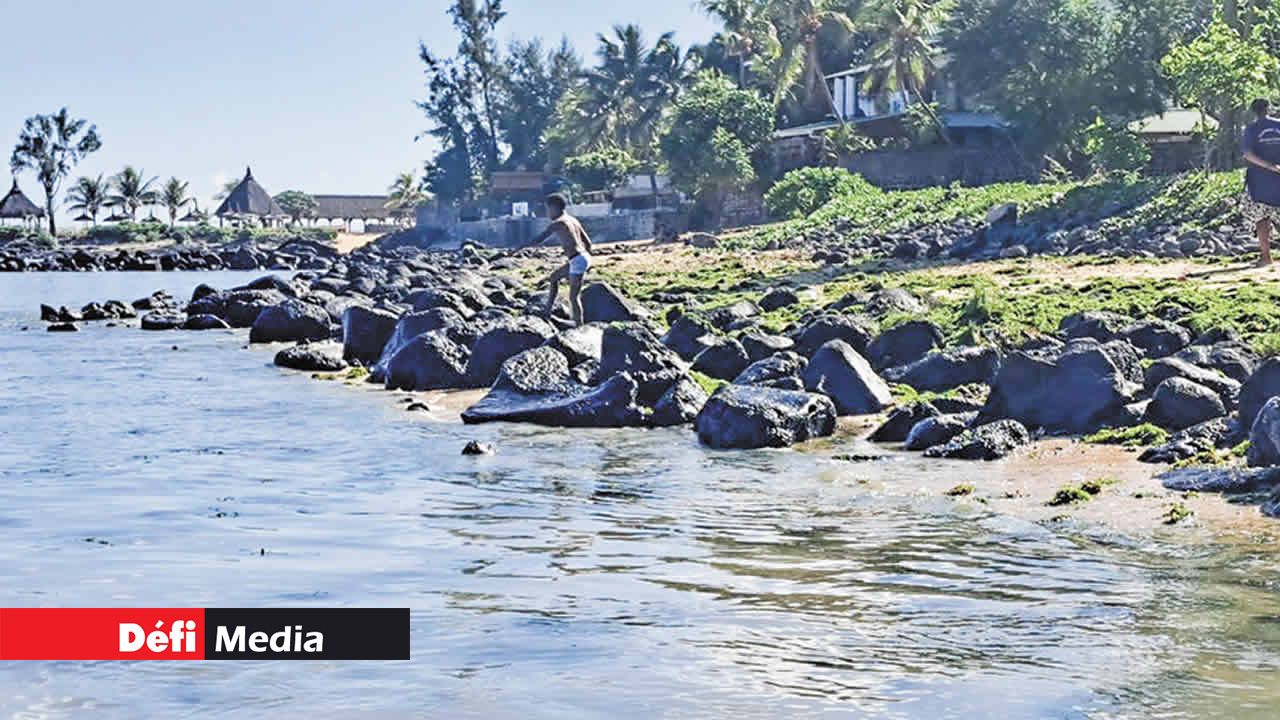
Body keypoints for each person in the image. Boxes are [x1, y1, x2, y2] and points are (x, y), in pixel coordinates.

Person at [526, 193, 593, 325]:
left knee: (573, 297)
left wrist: (519, 247)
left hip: (577, 260)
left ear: (554, 207)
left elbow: (540, 238)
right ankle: (547, 311)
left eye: (547, 209)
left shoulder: (559, 222)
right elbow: (588, 243)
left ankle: (579, 325)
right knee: (553, 278)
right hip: (582, 257)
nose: (547, 213)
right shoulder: (573, 220)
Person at [1242, 98, 1280, 267]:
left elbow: (1248, 155)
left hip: (1259, 181)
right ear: (1269, 108)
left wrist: (1269, 167)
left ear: (1253, 111)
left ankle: (1266, 258)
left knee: (1262, 219)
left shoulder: (1251, 129)